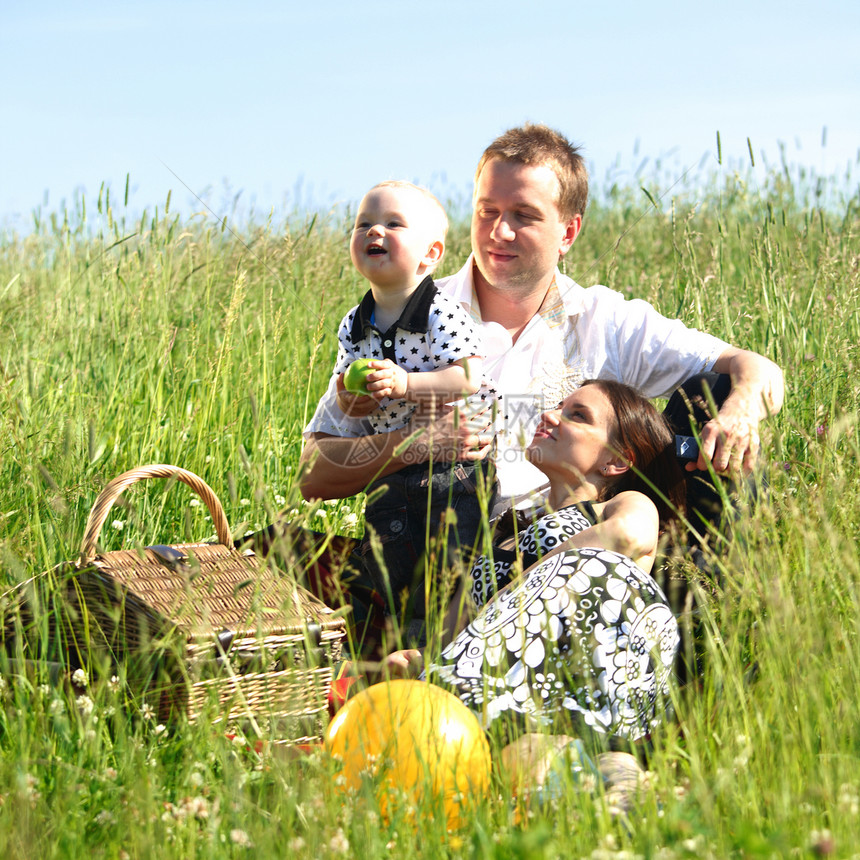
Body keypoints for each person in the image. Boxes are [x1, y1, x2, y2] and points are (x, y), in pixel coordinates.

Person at [301, 124, 784, 521]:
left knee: (715, 393)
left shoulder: (604, 319)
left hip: (568, 549)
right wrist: (415, 446)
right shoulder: (407, 313)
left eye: (524, 215)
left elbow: (759, 370)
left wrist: (738, 411)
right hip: (436, 551)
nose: (499, 232)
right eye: (487, 210)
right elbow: (312, 473)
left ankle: (695, 619)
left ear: (567, 231)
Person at [382, 379, 686, 745]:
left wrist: (511, 594)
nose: (550, 415)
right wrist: (420, 660)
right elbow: (453, 635)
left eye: (578, 415)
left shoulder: (619, 506)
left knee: (591, 565)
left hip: (587, 686)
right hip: (500, 685)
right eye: (558, 406)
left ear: (616, 461)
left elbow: (627, 537)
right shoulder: (506, 533)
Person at [309, 180, 498, 628]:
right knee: (388, 542)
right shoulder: (355, 324)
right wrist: (352, 397)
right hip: (398, 467)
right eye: (364, 224)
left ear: (430, 254)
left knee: (451, 554)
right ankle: (383, 622)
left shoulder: (440, 311)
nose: (375, 232)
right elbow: (346, 397)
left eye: (393, 223)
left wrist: (406, 383)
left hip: (460, 463)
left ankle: (432, 628)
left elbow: (469, 377)